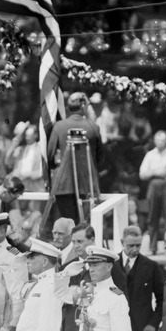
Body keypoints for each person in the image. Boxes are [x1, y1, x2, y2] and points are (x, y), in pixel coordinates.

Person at [42, 91, 103, 240]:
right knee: (85, 227)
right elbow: (100, 157)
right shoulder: (92, 126)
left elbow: (49, 155)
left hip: (63, 185)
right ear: (83, 106)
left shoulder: (59, 126)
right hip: (86, 184)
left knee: (68, 225)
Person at [114, 225, 164, 331]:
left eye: (138, 245)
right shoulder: (111, 265)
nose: (135, 249)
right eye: (131, 245)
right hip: (116, 327)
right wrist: (119, 294)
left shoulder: (152, 267)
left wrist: (153, 324)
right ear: (122, 242)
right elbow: (108, 289)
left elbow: (162, 299)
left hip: (143, 329)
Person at [139, 131, 166, 245]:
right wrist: (155, 171)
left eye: (161, 140)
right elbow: (142, 174)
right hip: (153, 183)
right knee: (152, 216)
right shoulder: (150, 155)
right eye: (157, 140)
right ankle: (152, 247)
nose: (159, 142)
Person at [5, 123, 46, 193]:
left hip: (35, 186)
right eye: (26, 135)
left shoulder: (41, 149)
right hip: (20, 185)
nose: (27, 138)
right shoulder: (20, 149)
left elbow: (43, 169)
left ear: (35, 135)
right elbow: (8, 161)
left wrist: (30, 174)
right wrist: (13, 146)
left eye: (29, 135)